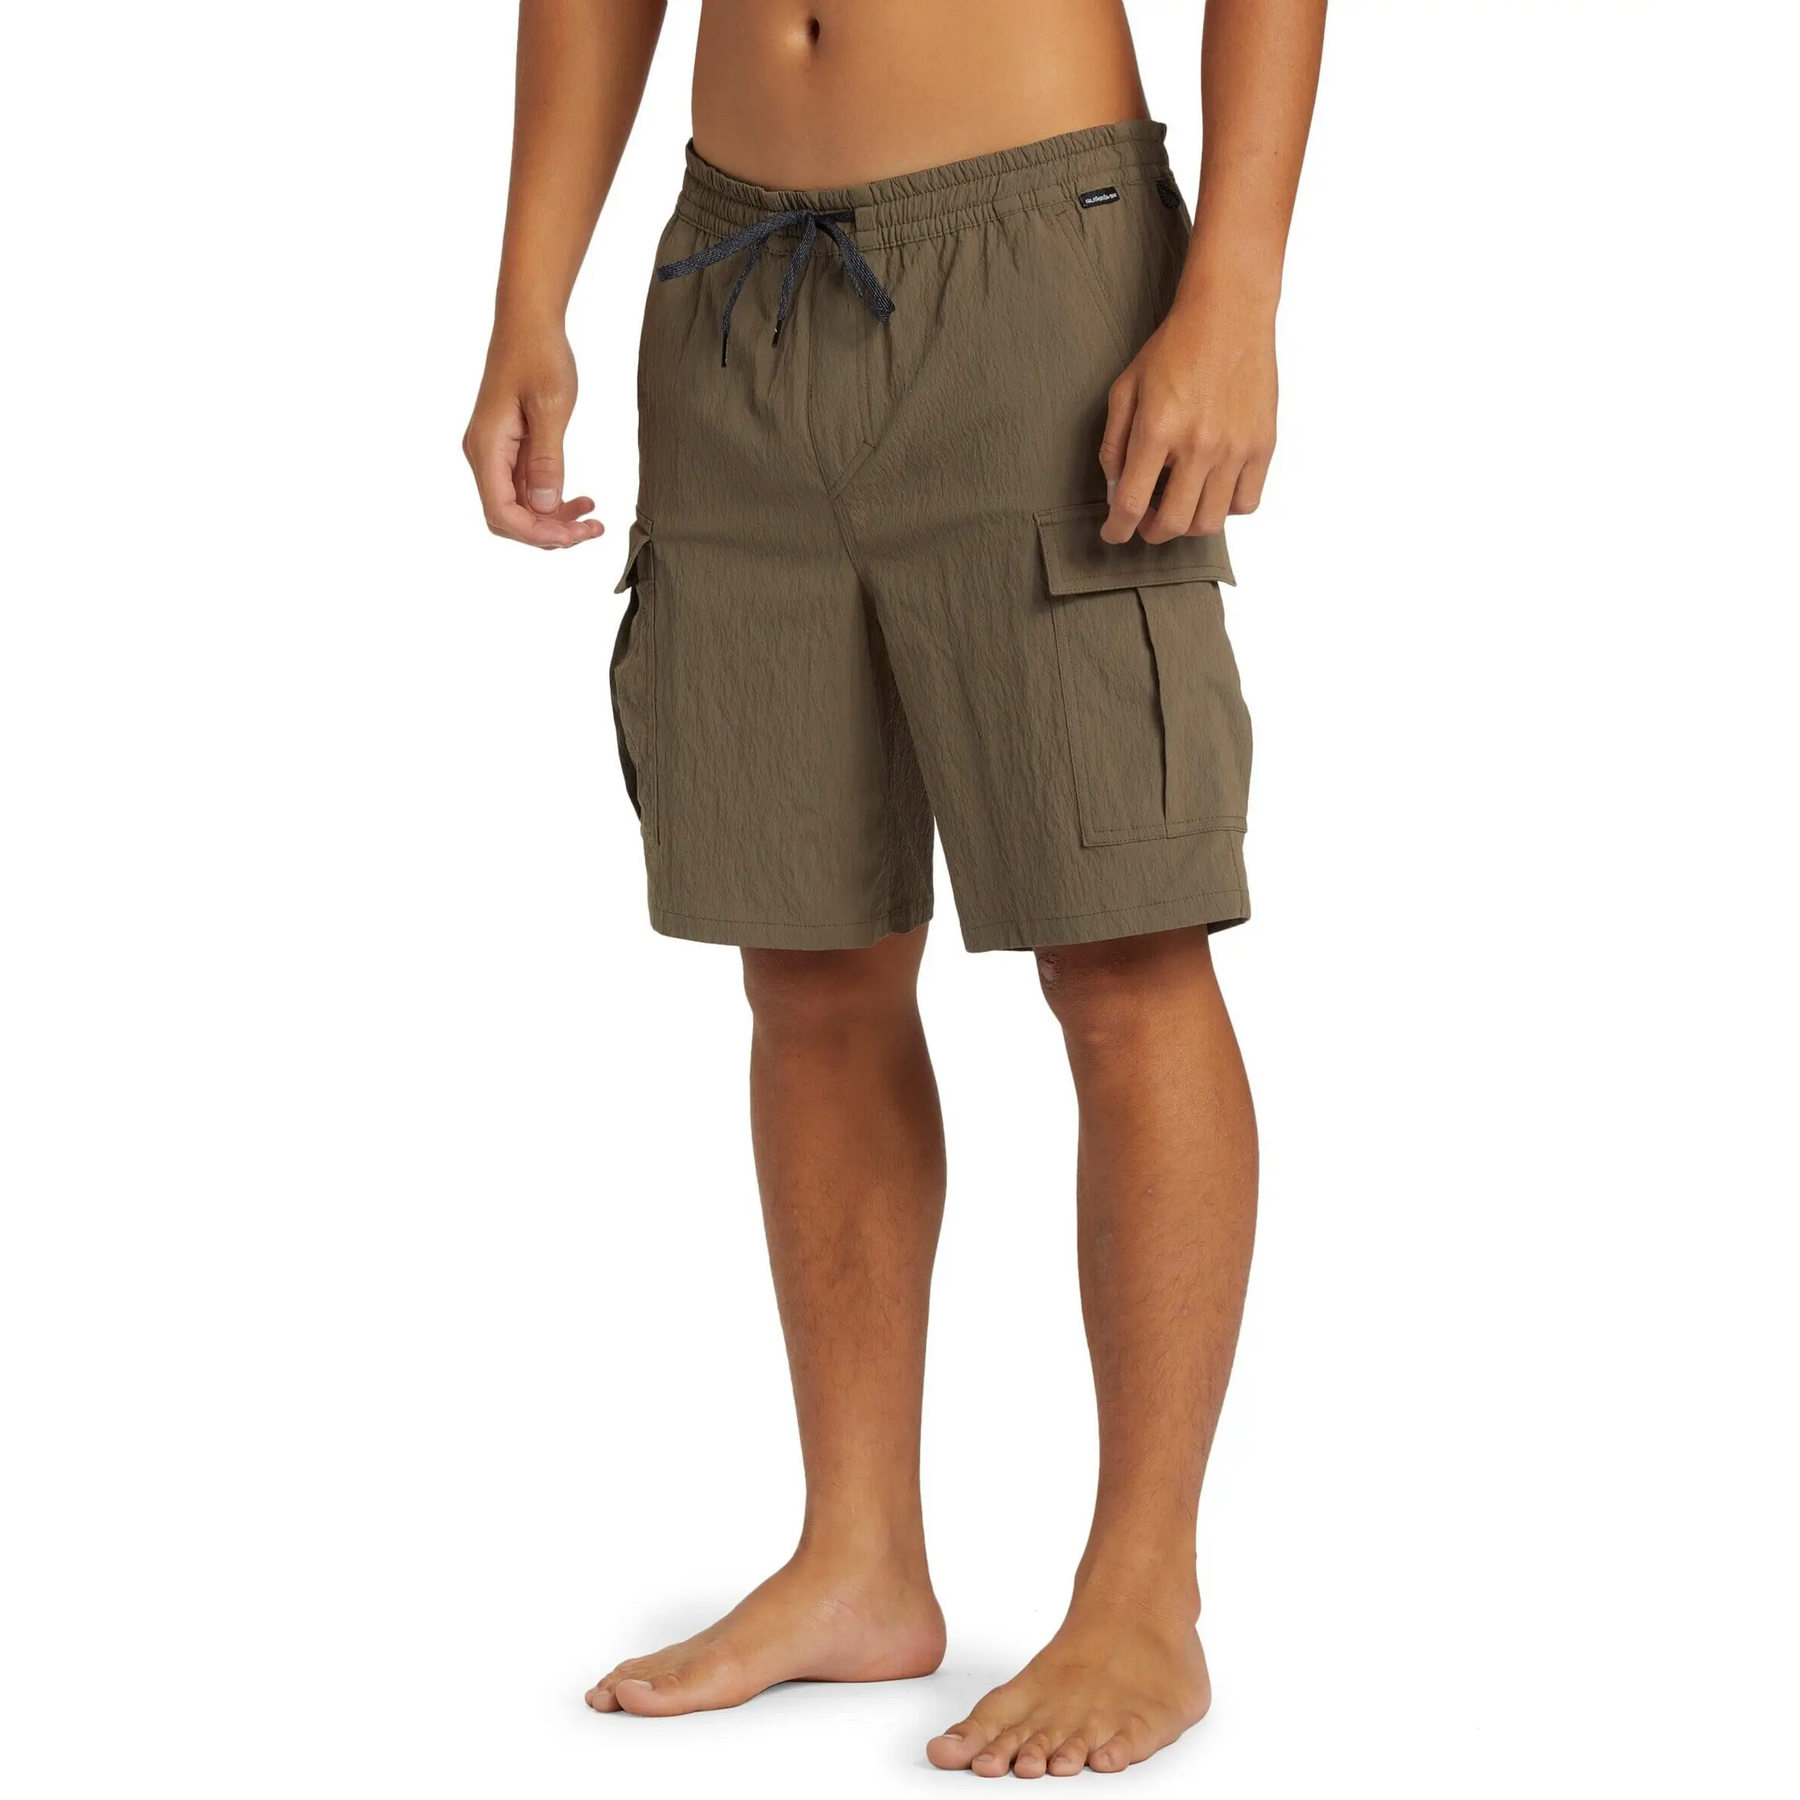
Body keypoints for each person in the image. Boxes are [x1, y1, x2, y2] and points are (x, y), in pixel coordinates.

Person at [464, 0, 1324, 1777]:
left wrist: (1235, 284)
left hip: (1042, 257)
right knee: (810, 961)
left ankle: (1144, 1595)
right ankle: (859, 1561)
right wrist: (528, 288)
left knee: (1121, 949)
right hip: (731, 275)